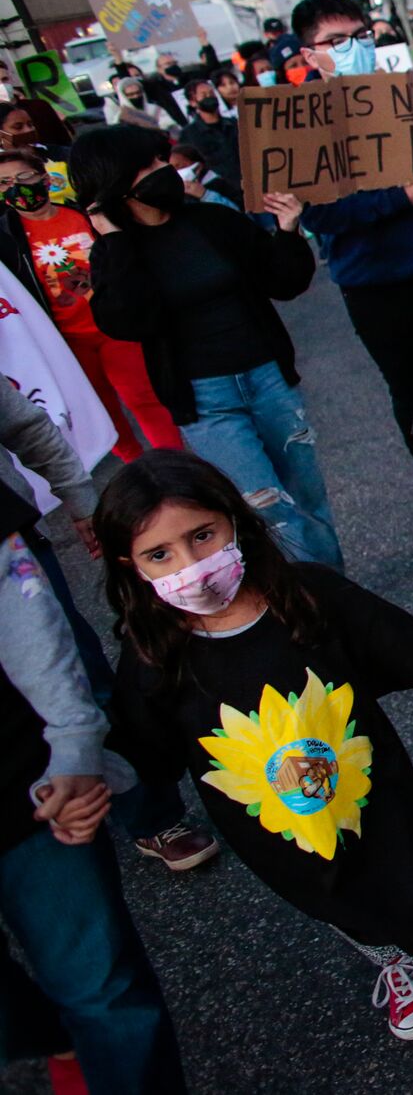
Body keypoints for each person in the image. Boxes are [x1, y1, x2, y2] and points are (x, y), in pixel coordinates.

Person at [100, 450, 413, 1095]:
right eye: (160, 555)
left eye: (202, 536)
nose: (191, 568)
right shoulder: (154, 656)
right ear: (131, 566)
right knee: (341, 909)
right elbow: (138, 754)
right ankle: (392, 964)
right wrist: (75, 779)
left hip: (379, 806)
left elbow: (412, 647)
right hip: (278, 837)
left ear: (235, 521)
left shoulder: (307, 596)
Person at [0, 384, 188, 1095]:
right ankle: (54, 1034)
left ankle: (152, 807)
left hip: (23, 770)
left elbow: (20, 606)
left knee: (103, 991)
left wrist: (76, 746)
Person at [68, 123, 344, 570]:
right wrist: (113, 239)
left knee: (308, 499)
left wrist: (289, 231)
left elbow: (285, 281)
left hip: (268, 377)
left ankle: (337, 596)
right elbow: (128, 321)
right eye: (150, 165)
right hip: (205, 399)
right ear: (115, 181)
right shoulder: (116, 255)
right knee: (266, 509)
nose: (165, 169)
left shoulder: (212, 221)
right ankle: (312, 607)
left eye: (163, 159)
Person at [288, 0, 413, 462]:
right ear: (309, 55)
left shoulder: (411, 96)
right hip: (381, 289)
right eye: (335, 40)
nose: (352, 46)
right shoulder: (303, 125)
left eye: (359, 36)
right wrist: (398, 199)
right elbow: (318, 214)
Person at [0, 147, 182, 463]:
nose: (16, 186)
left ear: (44, 178)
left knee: (142, 397)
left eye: (24, 176)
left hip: (115, 327)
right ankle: (136, 467)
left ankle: (175, 464)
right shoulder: (5, 239)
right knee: (100, 409)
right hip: (66, 342)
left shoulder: (85, 214)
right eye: (4, 182)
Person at [173, 77, 240, 196]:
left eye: (211, 93)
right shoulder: (189, 134)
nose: (209, 97)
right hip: (221, 192)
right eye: (204, 95)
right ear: (193, 102)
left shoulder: (234, 123)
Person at [110, 78, 179, 138]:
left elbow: (171, 127)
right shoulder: (120, 117)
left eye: (138, 93)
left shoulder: (155, 109)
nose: (136, 96)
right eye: (131, 94)